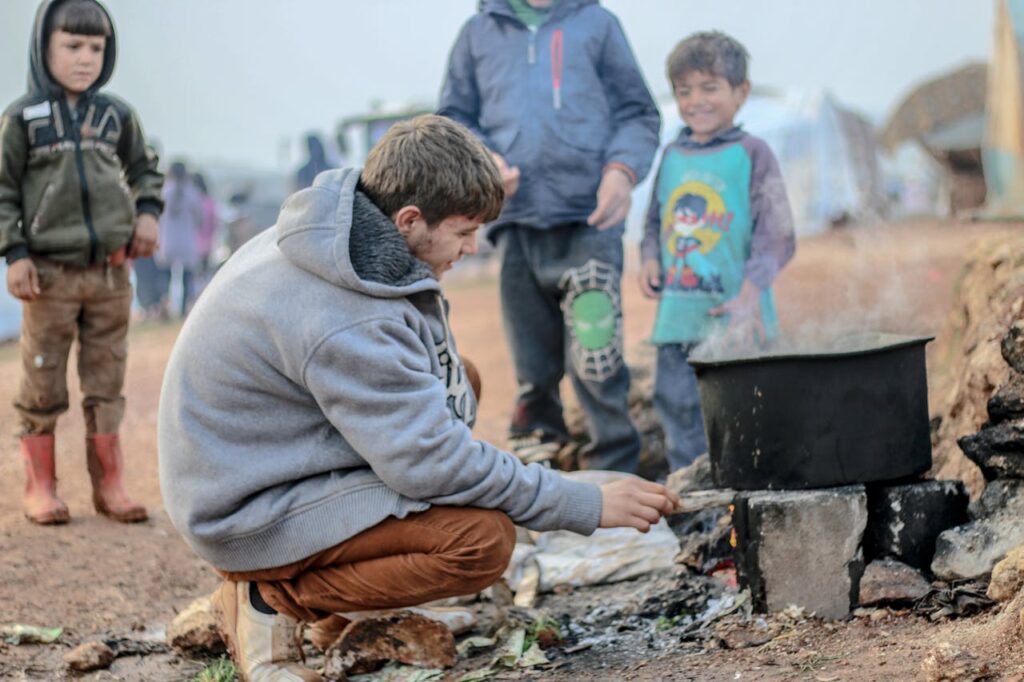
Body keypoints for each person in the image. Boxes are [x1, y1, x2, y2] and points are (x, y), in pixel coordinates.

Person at [158, 115, 679, 680]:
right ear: (409, 220)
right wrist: (583, 503)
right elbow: (434, 464)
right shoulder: (346, 317)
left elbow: (435, 425)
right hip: (244, 507)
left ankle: (335, 603)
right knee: (478, 542)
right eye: (462, 232)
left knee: (462, 381)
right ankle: (269, 600)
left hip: (273, 456)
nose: (472, 248)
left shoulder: (343, 232)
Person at [438, 0, 661, 473]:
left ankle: (613, 471)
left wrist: (621, 172)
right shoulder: (479, 33)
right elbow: (453, 118)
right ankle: (542, 473)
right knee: (533, 368)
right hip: (513, 223)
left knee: (596, 361)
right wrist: (484, 162)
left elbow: (638, 113)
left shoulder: (597, 24)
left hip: (590, 221)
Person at [0, 0, 162, 524]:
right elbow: (2, 191)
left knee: (106, 377)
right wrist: (15, 253)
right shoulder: (22, 120)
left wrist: (148, 214)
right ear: (43, 47)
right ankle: (40, 487)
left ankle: (109, 485)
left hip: (111, 276)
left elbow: (144, 171)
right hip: (48, 276)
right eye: (72, 45)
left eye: (96, 47)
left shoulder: (116, 115)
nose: (85, 57)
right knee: (42, 379)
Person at [638, 31, 796, 472]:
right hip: (677, 322)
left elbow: (778, 233)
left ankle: (742, 503)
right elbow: (654, 220)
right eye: (684, 91)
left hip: (738, 319)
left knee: (745, 413)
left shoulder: (753, 154)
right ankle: (695, 517)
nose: (696, 101)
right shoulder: (671, 155)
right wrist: (650, 257)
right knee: (678, 412)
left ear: (740, 92)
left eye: (710, 88)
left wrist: (751, 290)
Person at [155, 160, 204, 316]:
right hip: (186, 241)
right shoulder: (192, 193)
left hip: (168, 240)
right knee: (186, 277)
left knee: (166, 277)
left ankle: (165, 307)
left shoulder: (164, 192)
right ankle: (183, 309)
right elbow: (199, 218)